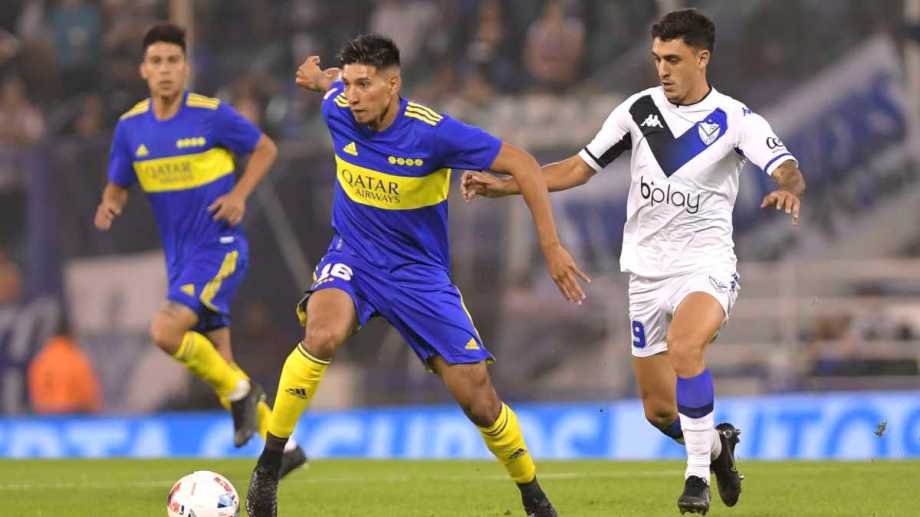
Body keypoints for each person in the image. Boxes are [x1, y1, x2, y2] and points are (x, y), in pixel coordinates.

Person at [462, 9, 806, 515]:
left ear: (702, 58)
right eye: (657, 59)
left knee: (687, 347)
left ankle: (696, 479)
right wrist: (507, 186)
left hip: (706, 266)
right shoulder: (638, 111)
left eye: (673, 59)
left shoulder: (736, 120)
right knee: (659, 410)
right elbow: (578, 168)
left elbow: (787, 167)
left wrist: (787, 187)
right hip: (645, 275)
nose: (662, 69)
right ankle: (717, 447)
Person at [245, 34, 589, 517]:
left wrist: (550, 247)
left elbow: (525, 165)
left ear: (393, 85)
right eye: (348, 84)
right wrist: (320, 77)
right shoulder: (338, 106)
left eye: (365, 85)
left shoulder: (433, 134)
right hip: (355, 257)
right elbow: (332, 83)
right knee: (321, 334)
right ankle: (269, 466)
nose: (353, 96)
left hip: (418, 275)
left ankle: (534, 496)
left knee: (479, 399)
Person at [93, 23, 306, 476]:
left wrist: (240, 195)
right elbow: (117, 184)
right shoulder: (130, 128)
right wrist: (110, 203)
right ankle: (284, 449)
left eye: (173, 61)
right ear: (143, 70)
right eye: (157, 61)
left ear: (185, 68)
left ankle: (242, 395)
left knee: (165, 332)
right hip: (181, 260)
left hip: (218, 247)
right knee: (221, 366)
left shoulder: (212, 116)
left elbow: (265, 149)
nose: (165, 69)